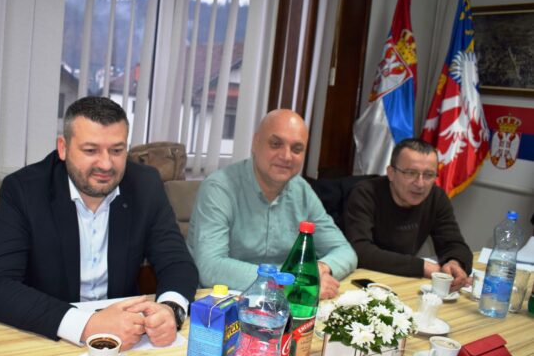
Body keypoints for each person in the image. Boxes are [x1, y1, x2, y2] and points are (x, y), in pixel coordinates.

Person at [0, 96, 198, 349]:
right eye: (91, 150)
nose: (106, 164)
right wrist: (89, 325)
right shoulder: (24, 190)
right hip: (48, 334)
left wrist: (170, 309)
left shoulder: (145, 185)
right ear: (63, 148)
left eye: (117, 150)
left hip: (129, 336)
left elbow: (177, 261)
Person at [187, 109, 357, 299]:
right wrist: (290, 282)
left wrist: (319, 268)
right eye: (276, 144)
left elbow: (345, 251)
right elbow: (210, 267)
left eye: (297, 149)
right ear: (255, 142)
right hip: (224, 303)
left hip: (284, 304)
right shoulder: (219, 188)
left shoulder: (302, 190)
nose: (286, 156)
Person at [344, 138, 473, 291]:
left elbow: (454, 243)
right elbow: (360, 250)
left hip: (404, 279)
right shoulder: (365, 193)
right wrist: (424, 267)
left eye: (428, 175)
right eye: (411, 173)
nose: (420, 184)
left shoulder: (436, 197)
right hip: (361, 280)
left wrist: (454, 263)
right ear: (391, 173)